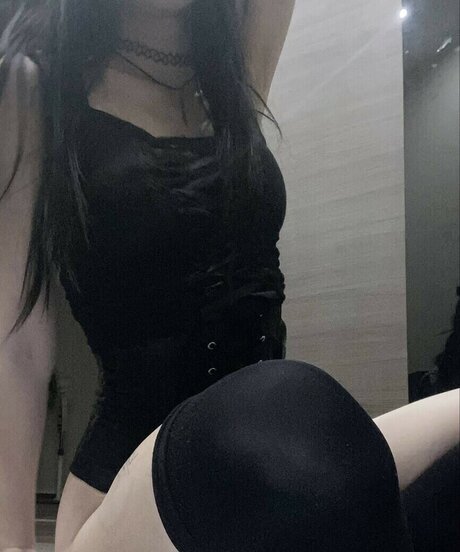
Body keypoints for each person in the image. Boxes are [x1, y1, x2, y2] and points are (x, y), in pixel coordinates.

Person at [0, 1, 458, 551]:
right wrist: (13, 544)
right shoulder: (40, 85)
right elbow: (19, 349)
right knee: (280, 404)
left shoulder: (231, 76)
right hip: (135, 497)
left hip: (283, 462)